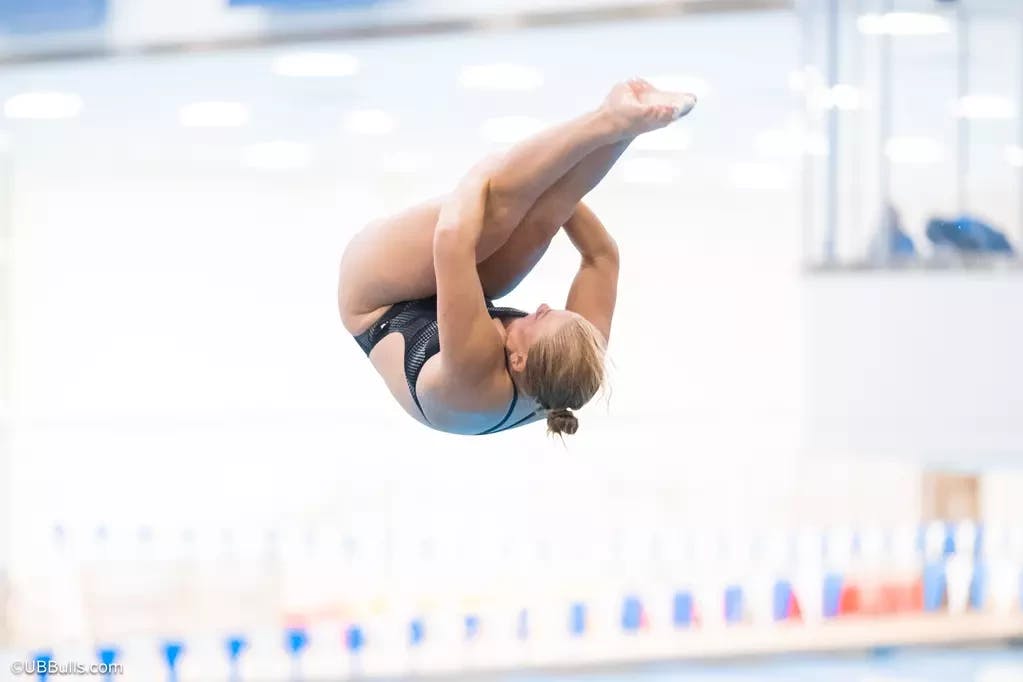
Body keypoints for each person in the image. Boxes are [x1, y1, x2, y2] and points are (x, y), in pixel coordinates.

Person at [338, 79, 696, 436]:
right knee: (541, 221)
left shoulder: (473, 380)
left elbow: (452, 242)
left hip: (377, 304)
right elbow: (601, 256)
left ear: (518, 360)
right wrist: (553, 197)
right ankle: (632, 122)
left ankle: (606, 117)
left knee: (495, 217)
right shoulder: (574, 367)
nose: (541, 307)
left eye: (541, 318)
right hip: (452, 299)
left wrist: (485, 173)